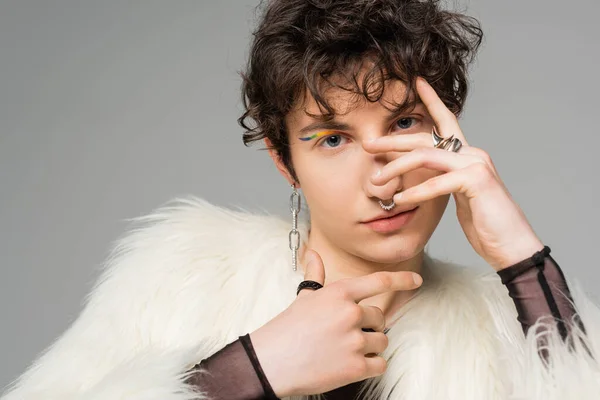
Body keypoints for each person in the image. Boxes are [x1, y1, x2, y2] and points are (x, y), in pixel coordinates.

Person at [2, 0, 600, 399]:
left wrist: (521, 258)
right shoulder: (185, 278)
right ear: (284, 159)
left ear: (449, 134)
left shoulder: (500, 323)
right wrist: (249, 372)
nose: (382, 179)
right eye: (333, 138)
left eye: (403, 123)